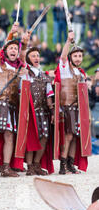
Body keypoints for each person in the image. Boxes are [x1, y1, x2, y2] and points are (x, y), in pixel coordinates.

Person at [0, 20, 27, 177]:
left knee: (9, 135)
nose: (14, 50)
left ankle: (6, 167)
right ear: (5, 50)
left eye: (16, 48)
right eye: (11, 48)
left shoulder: (21, 69)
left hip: (12, 106)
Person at [54, 31, 89, 174]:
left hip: (78, 108)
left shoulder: (81, 73)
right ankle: (63, 166)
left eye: (80, 56)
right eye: (75, 55)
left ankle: (70, 163)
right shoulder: (65, 69)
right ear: (71, 57)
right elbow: (62, 57)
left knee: (76, 136)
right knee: (69, 136)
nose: (78, 58)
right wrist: (68, 41)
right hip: (67, 106)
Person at [19, 38, 55, 176]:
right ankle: (29, 166)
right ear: (28, 58)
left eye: (38, 56)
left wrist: (52, 111)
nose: (36, 58)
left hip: (43, 111)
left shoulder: (44, 76)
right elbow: (22, 93)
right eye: (33, 56)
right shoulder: (25, 75)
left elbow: (48, 95)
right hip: (30, 112)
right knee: (31, 138)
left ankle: (36, 164)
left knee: (44, 136)